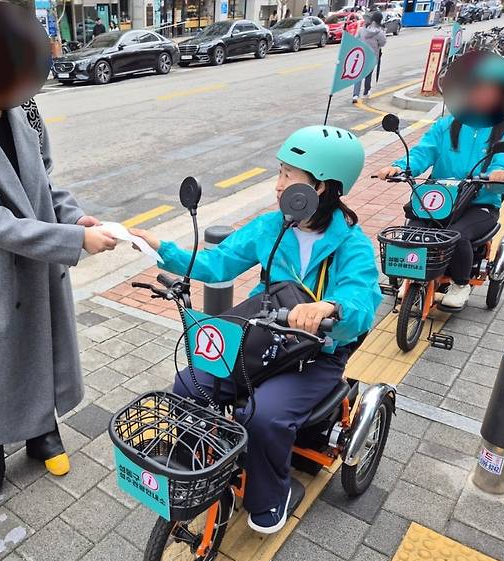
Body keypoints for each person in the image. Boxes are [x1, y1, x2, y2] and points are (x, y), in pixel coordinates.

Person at [131, 127, 381, 534]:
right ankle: (195, 468)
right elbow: (219, 264)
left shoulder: (351, 244)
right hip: (262, 337)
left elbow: (362, 300)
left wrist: (328, 307)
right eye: (279, 173)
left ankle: (270, 498)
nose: (278, 186)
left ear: (323, 186)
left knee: (263, 415)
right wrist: (160, 247)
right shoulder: (269, 227)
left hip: (315, 355)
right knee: (189, 384)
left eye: (288, 176)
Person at [0, 1, 118, 515]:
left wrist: (75, 219)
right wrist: (73, 243)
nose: (15, 92)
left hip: (38, 257)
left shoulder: (24, 111)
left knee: (41, 346)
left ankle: (41, 432)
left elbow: (47, 182)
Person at [377, 57, 504, 309]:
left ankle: (460, 283)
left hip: (480, 203)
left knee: (455, 236)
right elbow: (424, 151)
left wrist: (499, 173)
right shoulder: (446, 125)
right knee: (413, 229)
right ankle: (412, 274)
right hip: (440, 200)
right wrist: (400, 167)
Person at [352, 12, 386, 103]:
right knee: (368, 74)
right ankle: (366, 91)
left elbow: (355, 40)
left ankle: (355, 95)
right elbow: (383, 43)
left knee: (358, 75)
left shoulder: (362, 30)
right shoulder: (380, 33)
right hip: (372, 57)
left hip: (361, 56)